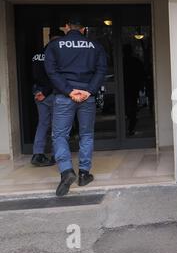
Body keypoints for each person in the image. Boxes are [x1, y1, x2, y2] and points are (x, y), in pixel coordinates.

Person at [45, 17, 108, 197]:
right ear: (83, 29)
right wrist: (89, 91)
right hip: (86, 96)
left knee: (59, 135)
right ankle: (83, 174)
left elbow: (51, 71)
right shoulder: (95, 46)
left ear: (66, 27)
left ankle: (66, 171)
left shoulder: (55, 46)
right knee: (86, 134)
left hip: (64, 97)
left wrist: (68, 91)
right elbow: (101, 70)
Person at [30, 27, 65, 167]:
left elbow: (32, 75)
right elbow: (54, 77)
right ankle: (58, 154)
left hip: (39, 93)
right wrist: (45, 92)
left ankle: (37, 154)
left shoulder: (37, 54)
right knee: (58, 126)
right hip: (51, 93)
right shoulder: (56, 53)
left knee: (43, 123)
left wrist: (37, 91)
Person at [122, 44, 146, 136]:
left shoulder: (121, 62)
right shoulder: (135, 61)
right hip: (132, 88)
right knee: (131, 107)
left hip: (128, 88)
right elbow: (142, 74)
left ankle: (130, 126)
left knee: (129, 107)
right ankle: (130, 126)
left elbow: (141, 74)